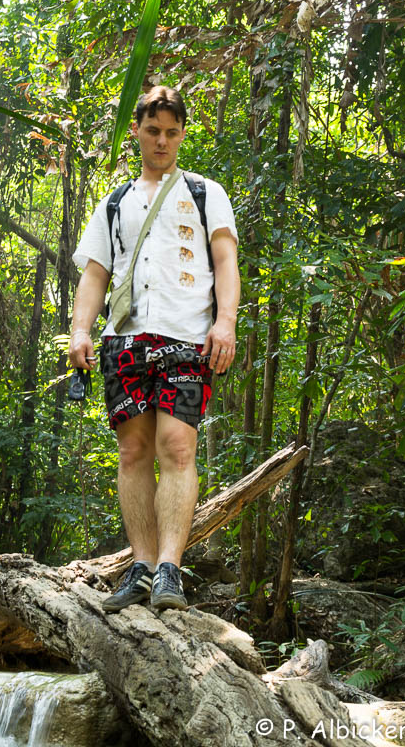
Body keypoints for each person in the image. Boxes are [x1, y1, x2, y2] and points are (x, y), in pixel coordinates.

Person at [69, 86, 240, 612]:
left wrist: (226, 323)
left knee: (178, 447)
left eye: (171, 132)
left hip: (188, 337)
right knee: (133, 451)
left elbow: (226, 261)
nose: (162, 141)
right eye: (152, 131)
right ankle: (141, 568)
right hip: (125, 340)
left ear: (182, 134)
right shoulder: (115, 202)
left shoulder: (206, 193)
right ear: (137, 132)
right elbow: (95, 274)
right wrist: (80, 330)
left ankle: (170, 570)